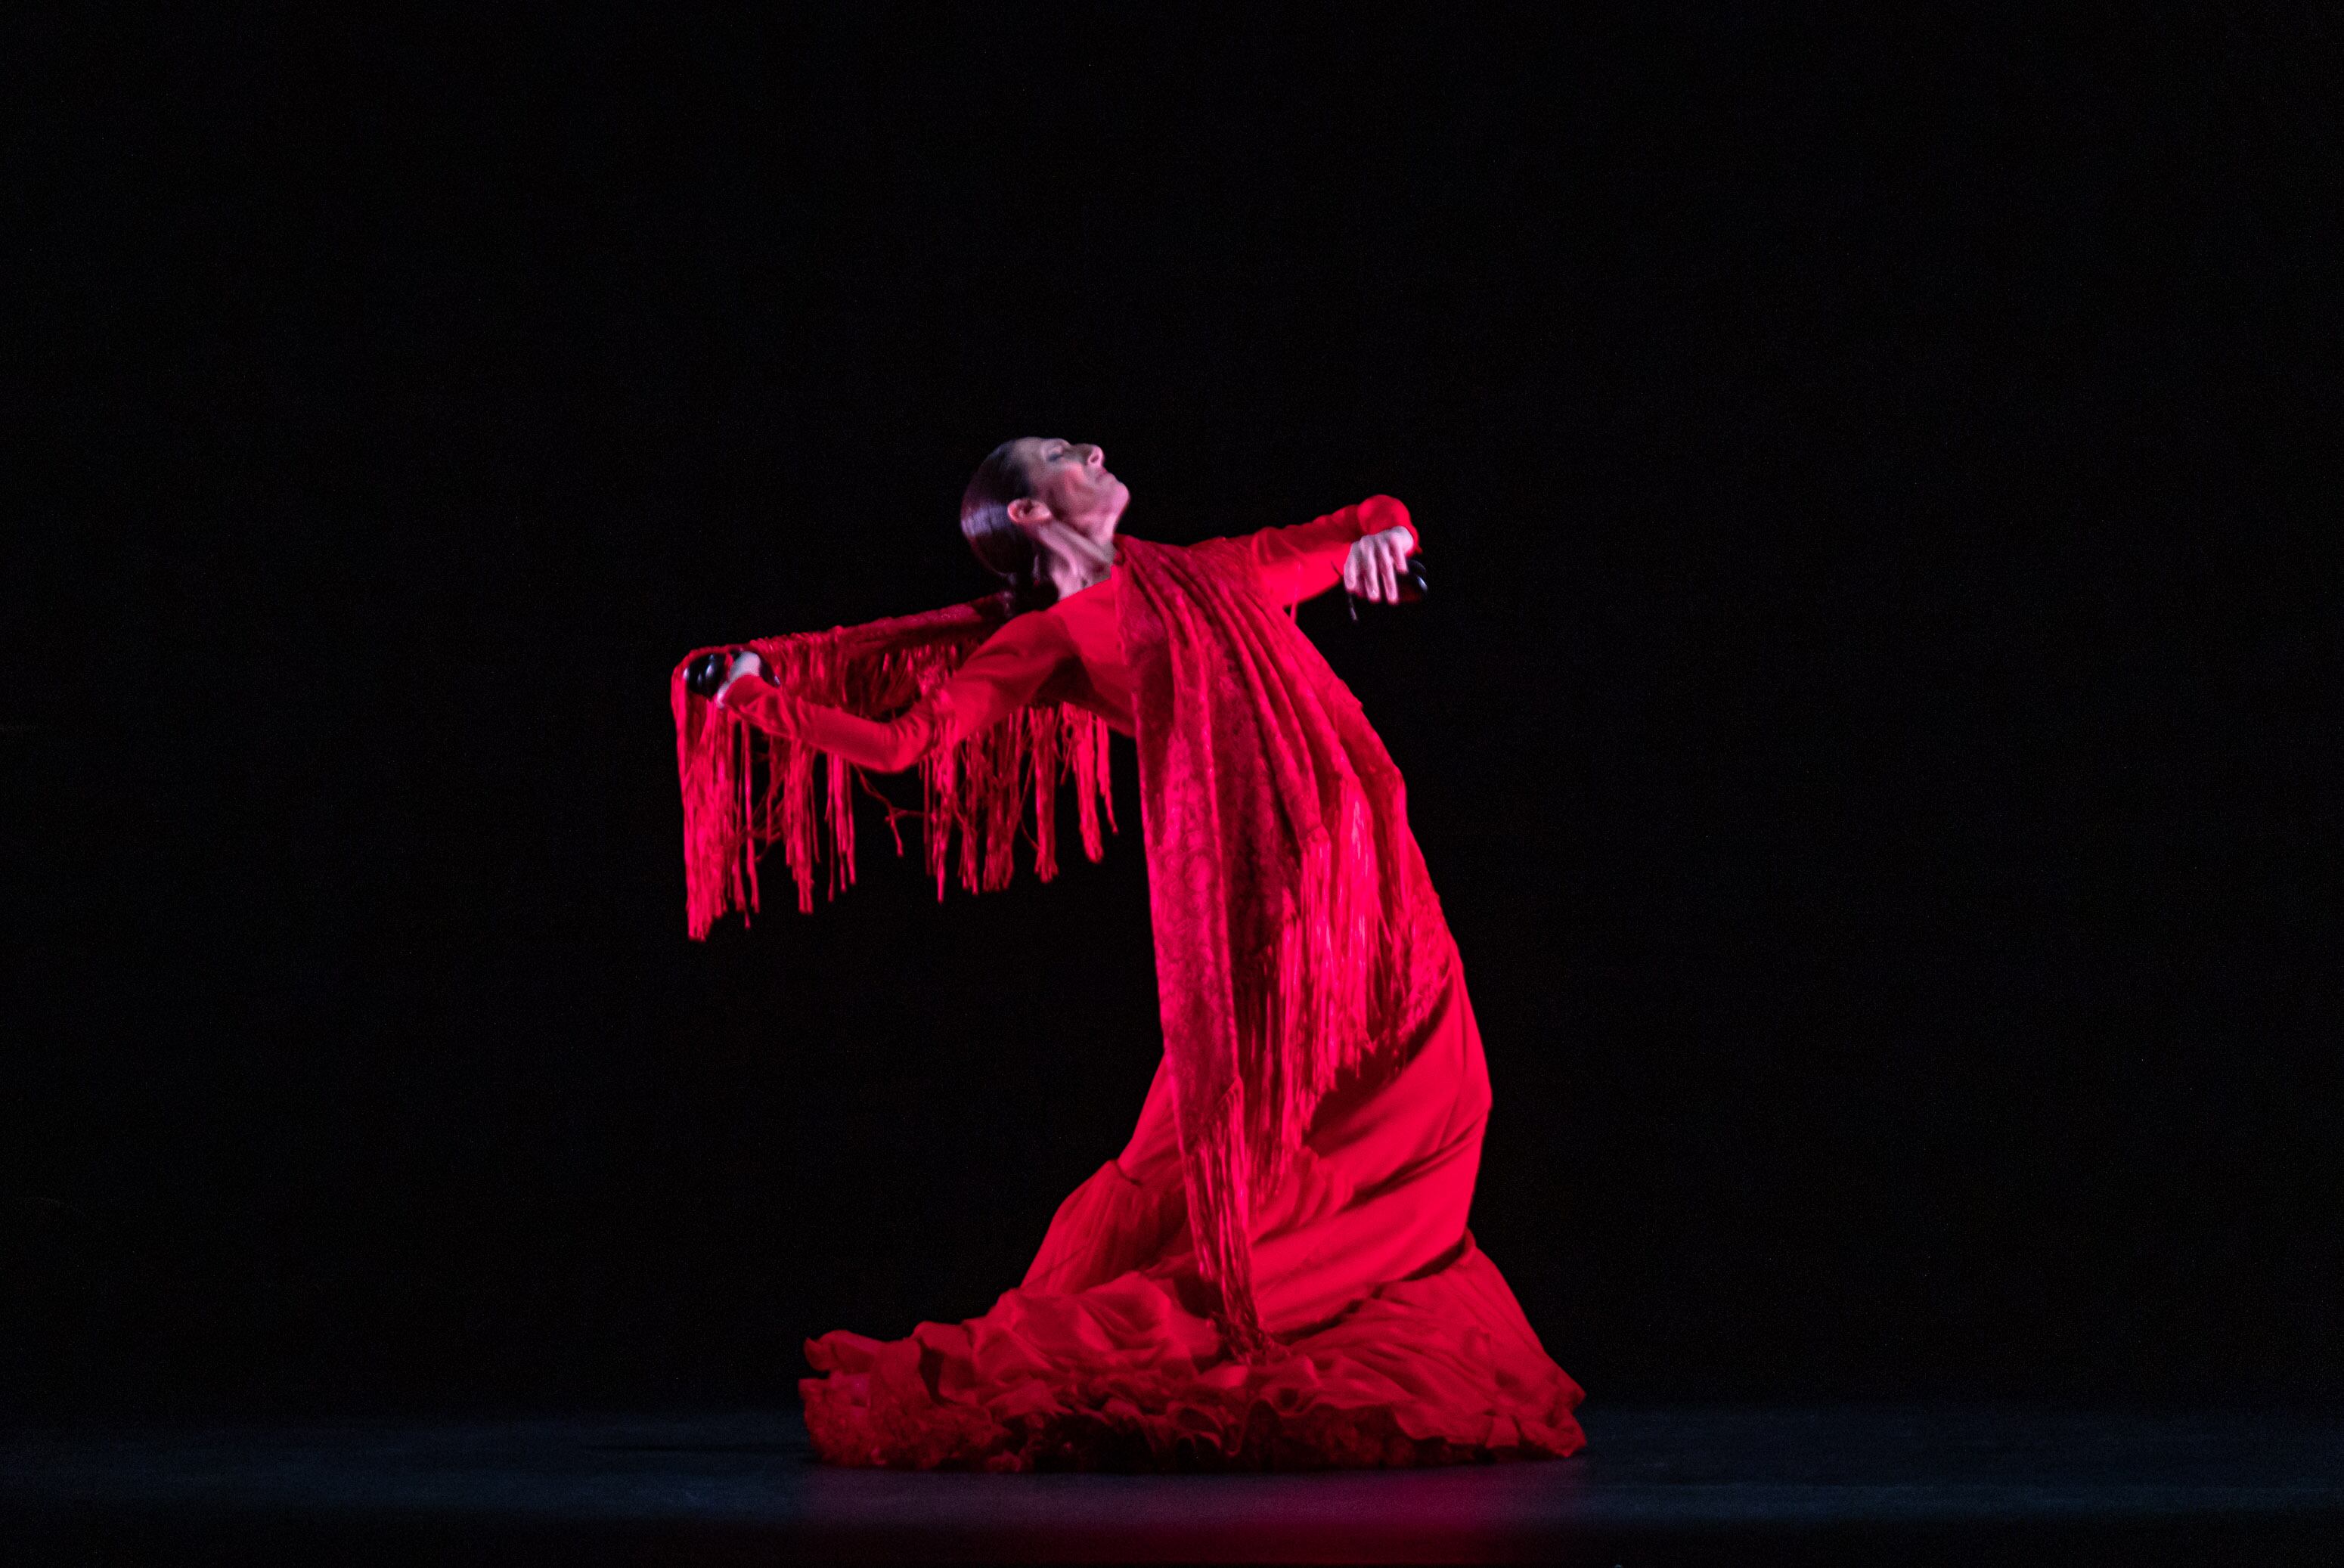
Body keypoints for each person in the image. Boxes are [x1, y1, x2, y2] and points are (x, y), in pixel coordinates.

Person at [677, 438, 1585, 1470]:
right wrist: (754, 696)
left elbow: (1359, 518)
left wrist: (1389, 533)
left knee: (1436, 1099)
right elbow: (906, 744)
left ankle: (1298, 1287)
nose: (1096, 449)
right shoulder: (1055, 634)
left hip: (1378, 888)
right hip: (1270, 920)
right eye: (1065, 452)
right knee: (1251, 1145)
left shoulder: (1217, 571)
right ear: (1025, 513)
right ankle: (1240, 1298)